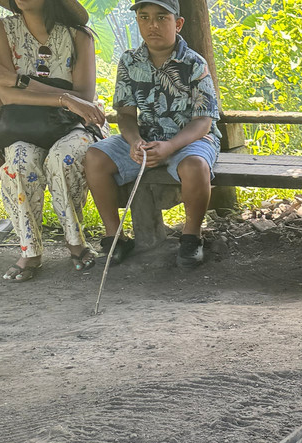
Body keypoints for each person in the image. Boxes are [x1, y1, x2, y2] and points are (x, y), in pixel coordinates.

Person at [84, 0, 219, 269]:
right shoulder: (129, 61)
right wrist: (135, 142)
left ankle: (191, 237)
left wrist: (170, 146)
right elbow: (125, 114)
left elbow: (203, 121)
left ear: (178, 24)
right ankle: (115, 237)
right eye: (144, 17)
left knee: (195, 166)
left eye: (161, 18)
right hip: (144, 136)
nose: (152, 25)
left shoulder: (194, 63)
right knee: (95, 157)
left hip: (188, 138)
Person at [0, 0, 106, 281]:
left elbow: (85, 96)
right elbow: (7, 95)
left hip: (72, 124)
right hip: (22, 123)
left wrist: (22, 81)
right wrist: (63, 97)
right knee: (19, 159)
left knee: (63, 158)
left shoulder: (79, 36)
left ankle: (75, 242)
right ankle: (30, 250)